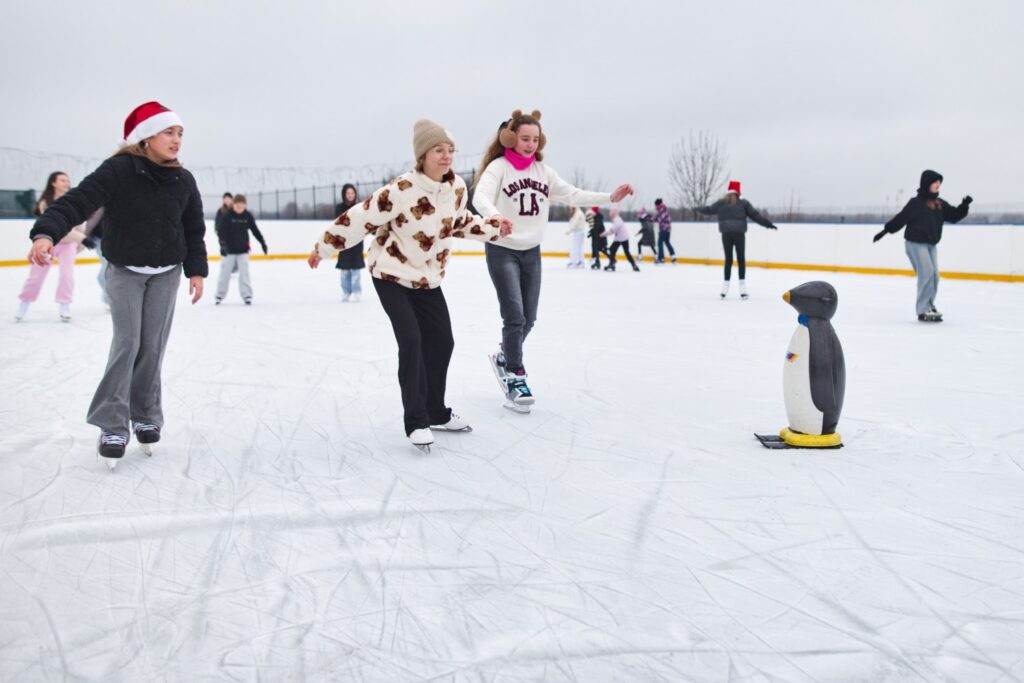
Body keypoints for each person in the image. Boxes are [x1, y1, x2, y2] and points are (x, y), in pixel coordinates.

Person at [308, 120, 512, 451]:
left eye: (450, 150)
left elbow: (459, 222)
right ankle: (416, 420)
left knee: (442, 341)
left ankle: (435, 412)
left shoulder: (456, 188)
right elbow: (359, 218)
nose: (446, 157)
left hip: (427, 277)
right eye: (438, 150)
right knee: (412, 339)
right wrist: (323, 247)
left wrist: (492, 228)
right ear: (423, 155)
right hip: (390, 274)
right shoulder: (401, 190)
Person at [28, 101, 208, 468]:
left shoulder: (183, 179)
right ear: (146, 137)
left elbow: (193, 228)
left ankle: (145, 416)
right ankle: (112, 423)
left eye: (180, 134)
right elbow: (76, 203)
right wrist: (45, 233)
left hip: (167, 272)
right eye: (168, 132)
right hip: (125, 270)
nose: (177, 140)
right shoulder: (118, 171)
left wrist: (196, 270)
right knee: (128, 342)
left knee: (153, 345)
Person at [471, 109, 633, 408]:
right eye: (524, 138)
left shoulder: (544, 173)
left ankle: (506, 355)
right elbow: (480, 198)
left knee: (529, 318)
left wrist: (610, 197)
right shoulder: (498, 167)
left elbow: (574, 195)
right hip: (502, 248)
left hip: (531, 252)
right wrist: (495, 217)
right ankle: (515, 375)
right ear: (510, 138)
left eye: (535, 139)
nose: (530, 144)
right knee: (515, 315)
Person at [874, 169, 971, 322]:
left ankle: (930, 305)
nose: (938, 184)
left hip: (931, 244)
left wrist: (964, 205)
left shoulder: (939, 204)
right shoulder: (916, 203)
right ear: (927, 183)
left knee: (934, 276)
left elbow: (954, 215)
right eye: (935, 181)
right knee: (926, 273)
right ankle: (922, 309)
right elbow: (901, 218)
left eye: (939, 182)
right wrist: (885, 230)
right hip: (915, 243)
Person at [15, 172, 85, 322]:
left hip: (68, 245)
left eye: (67, 180)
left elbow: (78, 225)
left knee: (67, 275)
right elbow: (55, 227)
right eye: (62, 180)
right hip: (49, 244)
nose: (66, 183)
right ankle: (24, 303)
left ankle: (64, 305)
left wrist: (80, 240)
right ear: (53, 183)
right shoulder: (45, 203)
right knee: (36, 276)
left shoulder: (74, 201)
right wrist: (81, 238)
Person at [697, 180, 777, 299]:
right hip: (739, 234)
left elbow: (708, 210)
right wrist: (768, 224)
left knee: (728, 260)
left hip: (726, 234)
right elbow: (756, 216)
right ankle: (742, 288)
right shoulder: (743, 203)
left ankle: (725, 287)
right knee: (741, 259)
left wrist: (696, 208)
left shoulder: (721, 203)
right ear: (738, 192)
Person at [214, 193, 267, 305]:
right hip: (229, 250)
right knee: (225, 273)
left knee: (244, 274)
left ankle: (247, 295)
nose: (240, 209)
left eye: (243, 207)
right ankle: (219, 295)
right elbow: (221, 232)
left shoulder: (247, 216)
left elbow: (255, 230)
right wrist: (223, 245)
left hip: (243, 250)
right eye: (238, 207)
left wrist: (262, 242)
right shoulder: (227, 216)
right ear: (233, 205)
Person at [334, 183, 365, 301]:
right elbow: (338, 223)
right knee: (345, 270)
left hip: (357, 242)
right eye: (348, 193)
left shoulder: (359, 207)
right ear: (344, 194)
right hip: (344, 242)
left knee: (356, 269)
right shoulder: (339, 208)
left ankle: (357, 291)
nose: (350, 195)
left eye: (352, 193)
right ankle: (346, 291)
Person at [601, 206, 639, 272]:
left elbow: (613, 230)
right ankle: (613, 264)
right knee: (613, 250)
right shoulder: (616, 219)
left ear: (614, 213)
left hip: (622, 238)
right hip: (621, 237)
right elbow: (613, 230)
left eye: (611, 212)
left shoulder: (617, 220)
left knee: (621, 251)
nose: (610, 213)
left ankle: (613, 264)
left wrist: (604, 234)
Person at [653, 198, 676, 263]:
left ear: (658, 205)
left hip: (664, 228)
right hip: (668, 229)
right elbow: (658, 218)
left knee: (660, 242)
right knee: (667, 242)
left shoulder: (662, 210)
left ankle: (661, 258)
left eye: (656, 205)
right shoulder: (664, 209)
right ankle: (673, 256)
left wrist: (652, 218)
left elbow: (659, 219)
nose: (655, 207)